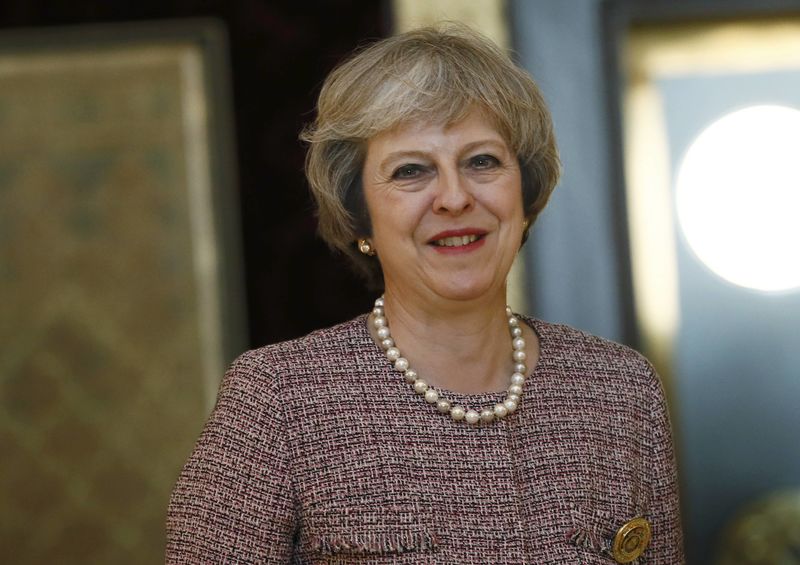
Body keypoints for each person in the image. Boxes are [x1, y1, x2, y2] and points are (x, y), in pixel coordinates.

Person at [166, 23, 684, 564]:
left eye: (482, 161)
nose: (455, 197)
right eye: (412, 171)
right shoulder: (278, 402)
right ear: (360, 213)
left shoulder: (621, 392)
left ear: (524, 193)